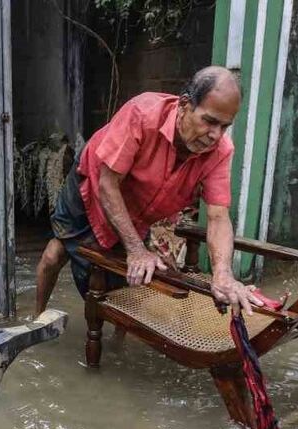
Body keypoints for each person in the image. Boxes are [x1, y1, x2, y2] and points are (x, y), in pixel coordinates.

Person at [33, 66, 260, 317]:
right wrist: (136, 249)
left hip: (137, 205)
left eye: (225, 127)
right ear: (184, 105)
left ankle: (119, 342)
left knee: (132, 277)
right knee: (57, 253)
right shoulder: (142, 114)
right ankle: (36, 318)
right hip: (93, 180)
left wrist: (223, 273)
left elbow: (218, 215)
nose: (215, 135)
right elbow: (107, 185)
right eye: (209, 121)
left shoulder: (221, 151)